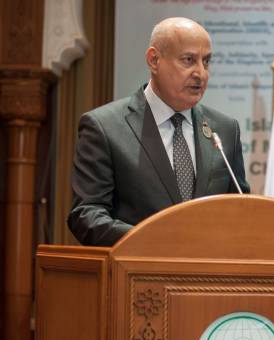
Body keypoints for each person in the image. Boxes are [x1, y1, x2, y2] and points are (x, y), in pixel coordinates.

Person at [68, 17, 249, 246]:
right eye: (188, 60)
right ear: (154, 60)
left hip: (210, 278)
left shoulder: (224, 129)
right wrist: (157, 241)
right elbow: (86, 215)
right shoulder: (104, 127)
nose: (200, 73)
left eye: (206, 61)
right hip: (138, 274)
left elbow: (241, 213)